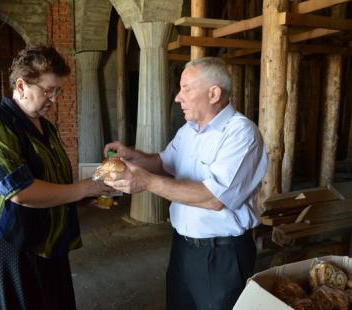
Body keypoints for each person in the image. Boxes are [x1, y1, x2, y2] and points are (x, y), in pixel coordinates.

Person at [104, 57, 268, 310]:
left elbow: (214, 199)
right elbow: (162, 162)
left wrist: (145, 182)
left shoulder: (241, 134)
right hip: (183, 247)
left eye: (186, 89)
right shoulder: (189, 130)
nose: (178, 97)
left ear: (213, 93)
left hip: (221, 254)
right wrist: (131, 155)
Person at [0, 45, 111, 310]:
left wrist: (84, 196)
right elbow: (20, 191)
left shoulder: (45, 126)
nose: (54, 98)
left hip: (48, 241)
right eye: (48, 90)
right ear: (21, 86)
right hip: (10, 244)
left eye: (58, 90)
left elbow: (53, 180)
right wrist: (81, 189)